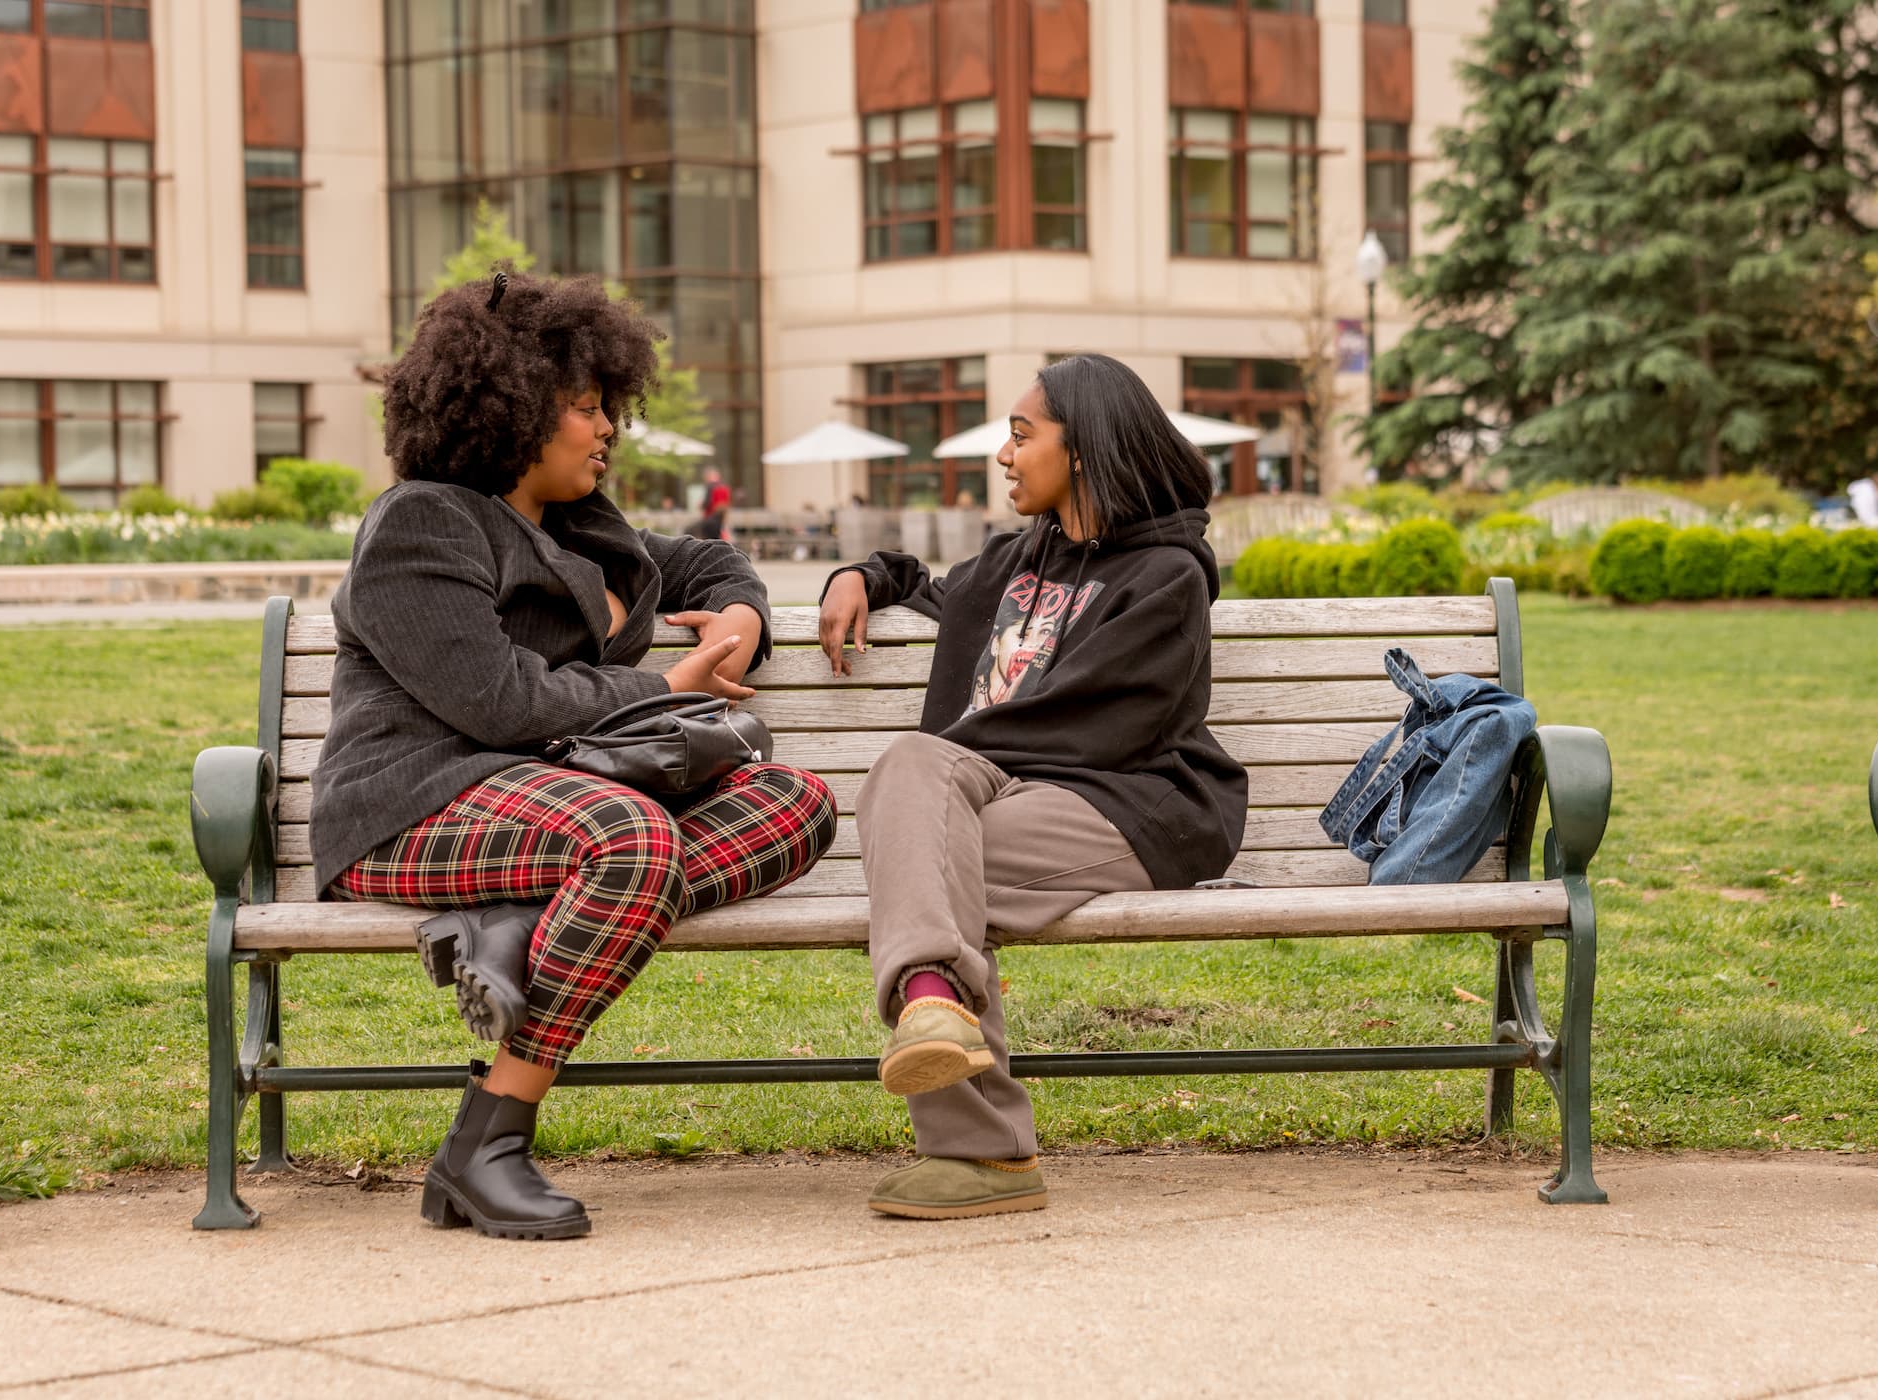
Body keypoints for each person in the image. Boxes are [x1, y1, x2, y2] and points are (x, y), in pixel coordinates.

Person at [313, 269, 836, 1240]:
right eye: (586, 408)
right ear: (512, 413)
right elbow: (503, 702)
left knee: (795, 802)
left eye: (609, 407)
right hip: (413, 803)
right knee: (630, 840)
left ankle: (522, 917)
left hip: (551, 808)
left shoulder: (585, 526)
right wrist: (670, 686)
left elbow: (709, 562)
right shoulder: (420, 524)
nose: (607, 430)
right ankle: (489, 1137)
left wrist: (740, 616)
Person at [818, 353, 1248, 1220]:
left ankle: (977, 1135)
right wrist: (861, 574)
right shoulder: (1022, 559)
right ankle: (945, 1041)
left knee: (924, 842)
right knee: (927, 824)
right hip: (990, 795)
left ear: (1081, 448)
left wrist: (958, 766)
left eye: (1022, 435)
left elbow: (1106, 726)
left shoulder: (1166, 576)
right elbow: (926, 584)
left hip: (1124, 805)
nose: (1005, 455)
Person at [693, 466, 731, 540]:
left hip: (710, 518)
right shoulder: (725, 487)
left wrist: (701, 505)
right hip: (721, 518)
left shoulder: (710, 487)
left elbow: (707, 503)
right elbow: (727, 503)